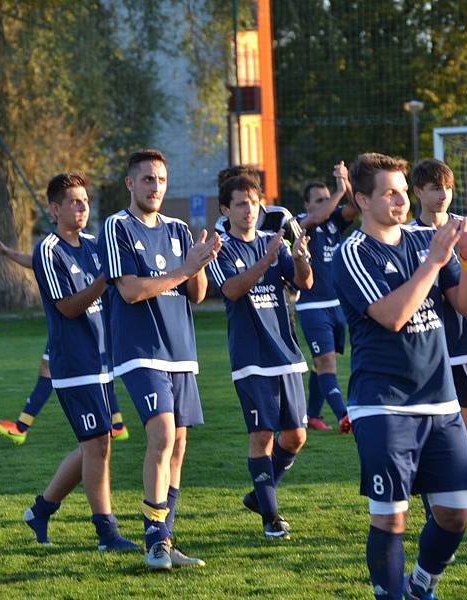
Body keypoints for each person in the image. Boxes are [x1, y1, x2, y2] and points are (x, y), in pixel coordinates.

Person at [331, 153, 467, 599]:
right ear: (361, 199)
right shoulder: (353, 253)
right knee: (391, 517)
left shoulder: (425, 241)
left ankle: (421, 584)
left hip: (441, 401)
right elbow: (393, 316)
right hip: (384, 404)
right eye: (389, 192)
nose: (400, 199)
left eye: (402, 190)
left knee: (454, 514)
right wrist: (434, 262)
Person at [98, 149, 221, 570]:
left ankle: (165, 537)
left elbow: (198, 294)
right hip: (140, 352)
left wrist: (199, 263)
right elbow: (130, 291)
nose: (155, 187)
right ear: (130, 183)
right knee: (163, 435)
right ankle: (154, 539)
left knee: (179, 446)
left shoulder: (180, 229)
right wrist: (186, 268)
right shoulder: (117, 227)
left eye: (161, 180)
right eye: (147, 179)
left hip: (181, 351)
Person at [22, 173, 137, 551]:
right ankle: (107, 533)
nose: (82, 207)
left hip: (104, 361)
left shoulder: (94, 245)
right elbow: (68, 308)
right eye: (74, 201)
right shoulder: (48, 249)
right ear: (55, 209)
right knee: (97, 445)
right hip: (73, 364)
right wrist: (105, 280)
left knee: (97, 443)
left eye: (85, 200)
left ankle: (41, 510)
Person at [207, 174, 312, 539]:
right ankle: (271, 517)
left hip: (286, 353)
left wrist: (298, 259)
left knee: (296, 436)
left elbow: (304, 282)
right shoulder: (221, 248)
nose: (249, 210)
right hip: (251, 357)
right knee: (262, 435)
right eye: (240, 203)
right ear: (226, 209)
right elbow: (232, 290)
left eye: (254, 203)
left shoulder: (274, 241)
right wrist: (266, 261)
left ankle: (259, 494)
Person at [409, 159, 467, 528]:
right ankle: (441, 505)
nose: (441, 194)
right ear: (418, 192)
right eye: (433, 187)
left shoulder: (465, 229)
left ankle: (462, 485)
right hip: (429, 349)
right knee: (437, 435)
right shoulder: (407, 234)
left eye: (446, 187)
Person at [0, 239, 129, 444]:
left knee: (52, 369)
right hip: (76, 325)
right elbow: (38, 262)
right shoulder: (55, 247)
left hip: (76, 328)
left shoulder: (87, 243)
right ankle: (117, 424)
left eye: (84, 204)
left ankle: (21, 426)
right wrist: (8, 252)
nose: (80, 209)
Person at [296, 163, 357, 433]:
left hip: (337, 305)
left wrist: (347, 185)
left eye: (327, 198)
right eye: (319, 200)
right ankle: (345, 416)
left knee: (322, 363)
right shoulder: (299, 223)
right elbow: (317, 217)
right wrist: (338, 192)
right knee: (326, 362)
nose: (327, 205)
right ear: (307, 205)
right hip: (312, 307)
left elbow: (358, 207)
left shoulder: (334, 221)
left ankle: (312, 415)